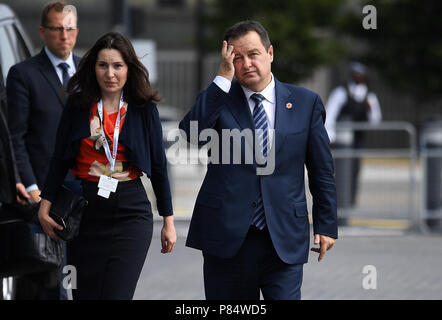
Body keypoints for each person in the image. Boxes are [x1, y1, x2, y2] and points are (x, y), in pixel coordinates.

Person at [179, 20, 337, 300]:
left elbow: (321, 170)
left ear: (270, 53)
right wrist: (221, 79)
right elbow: (192, 134)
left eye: (253, 54)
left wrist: (326, 225)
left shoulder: (305, 103)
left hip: (283, 237)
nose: (247, 63)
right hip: (227, 237)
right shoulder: (219, 100)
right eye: (236, 58)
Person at [37, 31, 176, 300]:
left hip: (131, 214)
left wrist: (168, 221)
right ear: (93, 68)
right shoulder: (78, 105)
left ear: (128, 69)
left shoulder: (142, 108)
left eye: (117, 66)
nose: (110, 73)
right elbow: (59, 158)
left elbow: (159, 166)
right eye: (103, 65)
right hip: (84, 216)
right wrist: (45, 205)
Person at [6, 1, 80, 299]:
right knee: (53, 286)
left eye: (70, 28)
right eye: (57, 29)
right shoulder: (23, 74)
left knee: (85, 278)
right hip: (45, 197)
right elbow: (16, 137)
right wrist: (34, 188)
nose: (64, 35)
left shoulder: (93, 70)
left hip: (86, 194)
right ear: (43, 32)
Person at [324, 62, 382, 208]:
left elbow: (375, 121)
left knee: (354, 170)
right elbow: (330, 114)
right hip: (342, 140)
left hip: (357, 139)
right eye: (355, 73)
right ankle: (338, 201)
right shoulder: (341, 92)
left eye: (360, 74)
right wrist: (330, 137)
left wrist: (370, 109)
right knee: (341, 170)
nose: (358, 76)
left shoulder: (369, 95)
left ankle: (350, 201)